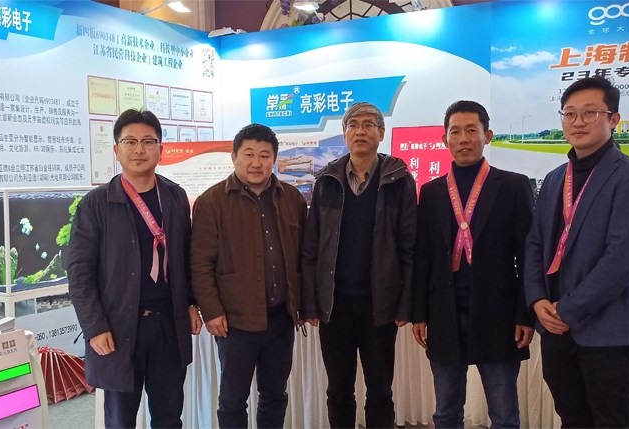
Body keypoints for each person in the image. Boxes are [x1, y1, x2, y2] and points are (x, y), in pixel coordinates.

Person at [523, 76, 629, 428]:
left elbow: (621, 259)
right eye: (569, 114)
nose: (578, 122)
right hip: (554, 326)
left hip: (607, 329)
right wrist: (537, 300)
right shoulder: (555, 178)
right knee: (571, 418)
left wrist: (569, 309)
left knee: (611, 421)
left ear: (614, 119)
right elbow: (535, 243)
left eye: (590, 113)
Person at [67, 109, 201, 428]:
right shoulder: (96, 203)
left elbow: (186, 255)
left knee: (169, 416)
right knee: (120, 420)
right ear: (116, 150)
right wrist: (94, 326)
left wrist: (191, 303)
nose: (139, 149)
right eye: (130, 142)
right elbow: (79, 272)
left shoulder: (175, 196)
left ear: (161, 149)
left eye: (148, 142)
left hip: (168, 324)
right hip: (118, 327)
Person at [411, 100, 535, 428]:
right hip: (444, 312)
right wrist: (419, 313)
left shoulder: (513, 186)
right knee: (446, 411)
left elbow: (528, 256)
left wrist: (525, 314)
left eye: (471, 130)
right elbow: (423, 256)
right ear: (444, 139)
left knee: (504, 414)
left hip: (499, 313)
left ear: (487, 135)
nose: (463, 139)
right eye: (455, 132)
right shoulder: (432, 192)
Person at [302, 102, 417, 429]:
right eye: (353, 125)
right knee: (338, 390)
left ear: (381, 132)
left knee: (380, 391)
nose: (360, 131)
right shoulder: (326, 180)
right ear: (344, 134)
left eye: (368, 125)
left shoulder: (398, 180)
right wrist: (311, 302)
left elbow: (409, 248)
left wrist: (405, 304)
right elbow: (312, 247)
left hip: (379, 305)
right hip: (334, 305)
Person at [190, 123, 307, 428]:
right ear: (234, 157)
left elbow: (304, 257)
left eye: (265, 156)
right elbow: (200, 263)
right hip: (234, 323)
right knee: (232, 400)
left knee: (275, 395)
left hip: (281, 319)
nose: (257, 163)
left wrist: (304, 304)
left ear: (274, 159)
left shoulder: (292, 198)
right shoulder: (211, 202)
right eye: (249, 154)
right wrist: (211, 311)